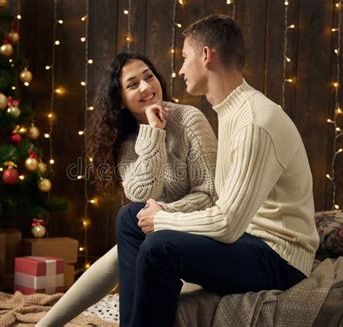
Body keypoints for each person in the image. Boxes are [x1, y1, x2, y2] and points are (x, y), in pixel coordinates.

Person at [117, 14, 320, 327]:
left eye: (184, 58)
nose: (180, 70)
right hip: (247, 239)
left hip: (279, 258)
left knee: (160, 247)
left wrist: (164, 219)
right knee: (130, 217)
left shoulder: (254, 121)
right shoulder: (229, 111)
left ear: (206, 56)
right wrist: (159, 215)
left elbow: (227, 223)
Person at [36, 52, 218, 326]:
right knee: (125, 238)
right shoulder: (125, 142)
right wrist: (154, 132)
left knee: (128, 225)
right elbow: (144, 191)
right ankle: (46, 325)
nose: (146, 87)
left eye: (148, 77)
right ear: (119, 100)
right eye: (133, 84)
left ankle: (47, 325)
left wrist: (165, 213)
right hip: (160, 232)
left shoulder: (189, 120)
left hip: (200, 227)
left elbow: (211, 195)